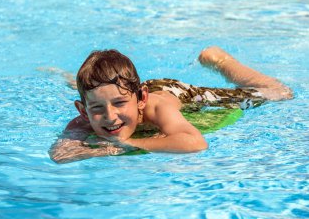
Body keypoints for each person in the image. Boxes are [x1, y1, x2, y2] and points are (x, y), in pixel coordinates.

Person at [49, 46, 293, 163]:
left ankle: (218, 59)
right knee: (104, 89)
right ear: (83, 110)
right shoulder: (84, 119)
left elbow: (195, 142)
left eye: (119, 104)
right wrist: (103, 148)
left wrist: (127, 144)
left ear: (140, 99)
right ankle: (77, 82)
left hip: (177, 94)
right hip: (131, 88)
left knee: (279, 92)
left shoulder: (156, 108)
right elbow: (59, 156)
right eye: (97, 108)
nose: (110, 116)